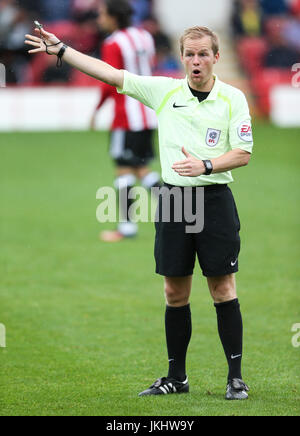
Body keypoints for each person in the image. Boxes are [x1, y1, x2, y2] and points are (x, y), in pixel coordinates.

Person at [25, 23, 253, 400]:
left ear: (216, 57)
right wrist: (62, 50)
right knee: (174, 291)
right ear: (181, 58)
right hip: (175, 201)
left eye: (203, 54)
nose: (196, 61)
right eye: (190, 54)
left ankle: (236, 378)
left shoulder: (233, 98)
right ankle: (177, 378)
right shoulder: (164, 91)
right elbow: (112, 74)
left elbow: (242, 153)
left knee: (222, 288)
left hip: (214, 200)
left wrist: (206, 165)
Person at [90, 0, 160, 242]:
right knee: (142, 168)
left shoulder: (113, 43)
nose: (99, 19)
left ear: (113, 17)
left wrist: (97, 109)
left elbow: (111, 80)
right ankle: (179, 213)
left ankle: (126, 227)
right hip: (149, 114)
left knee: (123, 171)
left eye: (102, 14)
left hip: (126, 116)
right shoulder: (145, 37)